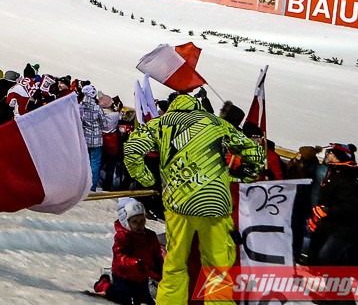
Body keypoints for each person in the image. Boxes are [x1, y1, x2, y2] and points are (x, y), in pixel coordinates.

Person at [124, 92, 264, 305]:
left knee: (175, 264)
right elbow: (254, 151)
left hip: (179, 204)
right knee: (218, 267)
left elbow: (132, 149)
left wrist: (146, 178)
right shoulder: (218, 124)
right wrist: (245, 174)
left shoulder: (161, 123)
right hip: (215, 204)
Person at [306, 143, 358, 265]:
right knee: (328, 255)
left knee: (327, 256)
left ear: (338, 157)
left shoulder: (346, 177)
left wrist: (327, 210)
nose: (327, 154)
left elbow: (350, 205)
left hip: (343, 226)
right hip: (333, 222)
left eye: (330, 153)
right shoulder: (335, 171)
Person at [93, 197, 164, 305]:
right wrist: (132, 262)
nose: (139, 225)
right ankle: (104, 284)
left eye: (142, 221)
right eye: (134, 222)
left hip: (141, 276)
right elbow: (119, 254)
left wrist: (159, 269)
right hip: (123, 275)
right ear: (126, 222)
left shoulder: (150, 236)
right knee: (122, 298)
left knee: (145, 300)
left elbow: (156, 254)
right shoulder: (123, 237)